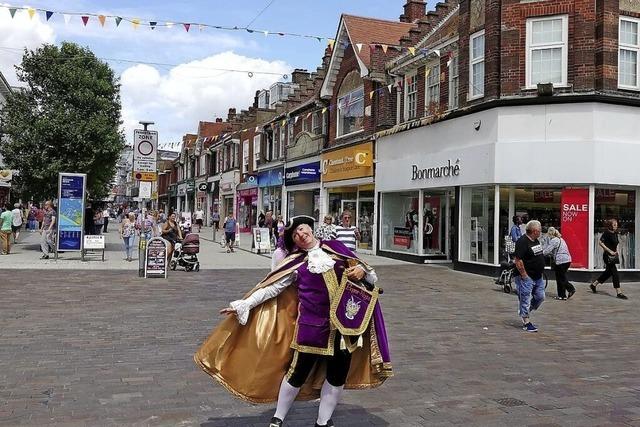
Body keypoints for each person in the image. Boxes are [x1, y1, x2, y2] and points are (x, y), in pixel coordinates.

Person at [195, 215, 392, 427]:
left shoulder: (337, 249)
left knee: (337, 376)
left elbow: (370, 276)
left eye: (303, 228)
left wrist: (363, 271)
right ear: (294, 241)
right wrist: (245, 304)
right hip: (311, 328)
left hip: (345, 328)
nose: (301, 234)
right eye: (295, 234)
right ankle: (278, 418)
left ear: (311, 229)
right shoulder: (295, 262)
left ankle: (323, 421)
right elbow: (272, 287)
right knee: (297, 373)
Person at [513, 220, 546, 332]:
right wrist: (524, 275)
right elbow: (518, 260)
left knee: (540, 297)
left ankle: (525, 311)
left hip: (538, 276)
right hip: (527, 276)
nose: (541, 232)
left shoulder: (535, 240)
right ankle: (526, 322)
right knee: (525, 298)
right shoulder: (522, 242)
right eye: (540, 230)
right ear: (535, 231)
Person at [591, 219, 628, 299]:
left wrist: (616, 251)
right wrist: (610, 251)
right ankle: (619, 292)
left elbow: (615, 244)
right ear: (610, 225)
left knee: (608, 273)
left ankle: (594, 285)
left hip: (613, 256)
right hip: (607, 256)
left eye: (616, 225)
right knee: (615, 273)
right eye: (614, 225)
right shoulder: (606, 233)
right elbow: (600, 243)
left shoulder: (615, 233)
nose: (616, 226)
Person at [543, 227, 575, 300]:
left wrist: (540, 253)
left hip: (561, 261)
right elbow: (557, 250)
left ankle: (568, 290)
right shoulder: (561, 239)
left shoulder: (554, 240)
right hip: (567, 260)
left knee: (560, 278)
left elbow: (547, 251)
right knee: (561, 277)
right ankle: (563, 294)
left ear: (550, 234)